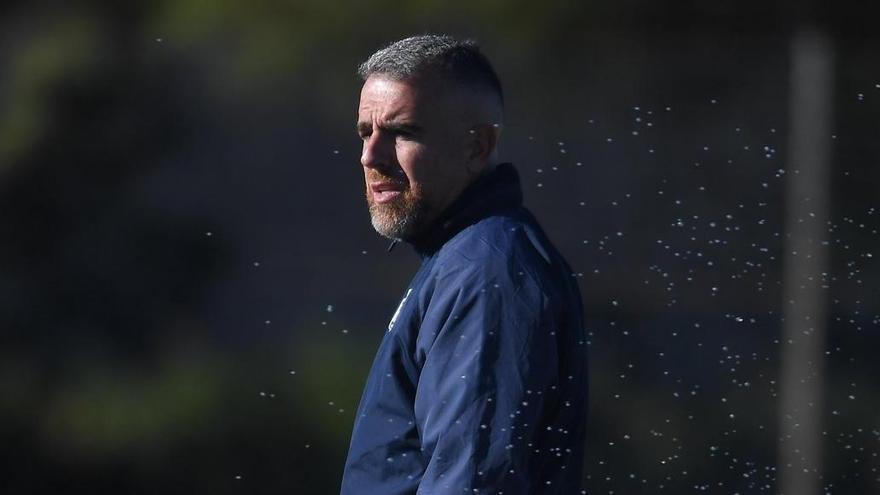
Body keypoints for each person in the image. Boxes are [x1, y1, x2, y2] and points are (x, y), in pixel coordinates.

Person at [341, 34, 587, 494]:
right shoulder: (462, 260)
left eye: (402, 132)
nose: (370, 156)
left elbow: (472, 480)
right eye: (365, 132)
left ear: (477, 147)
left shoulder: (487, 272)